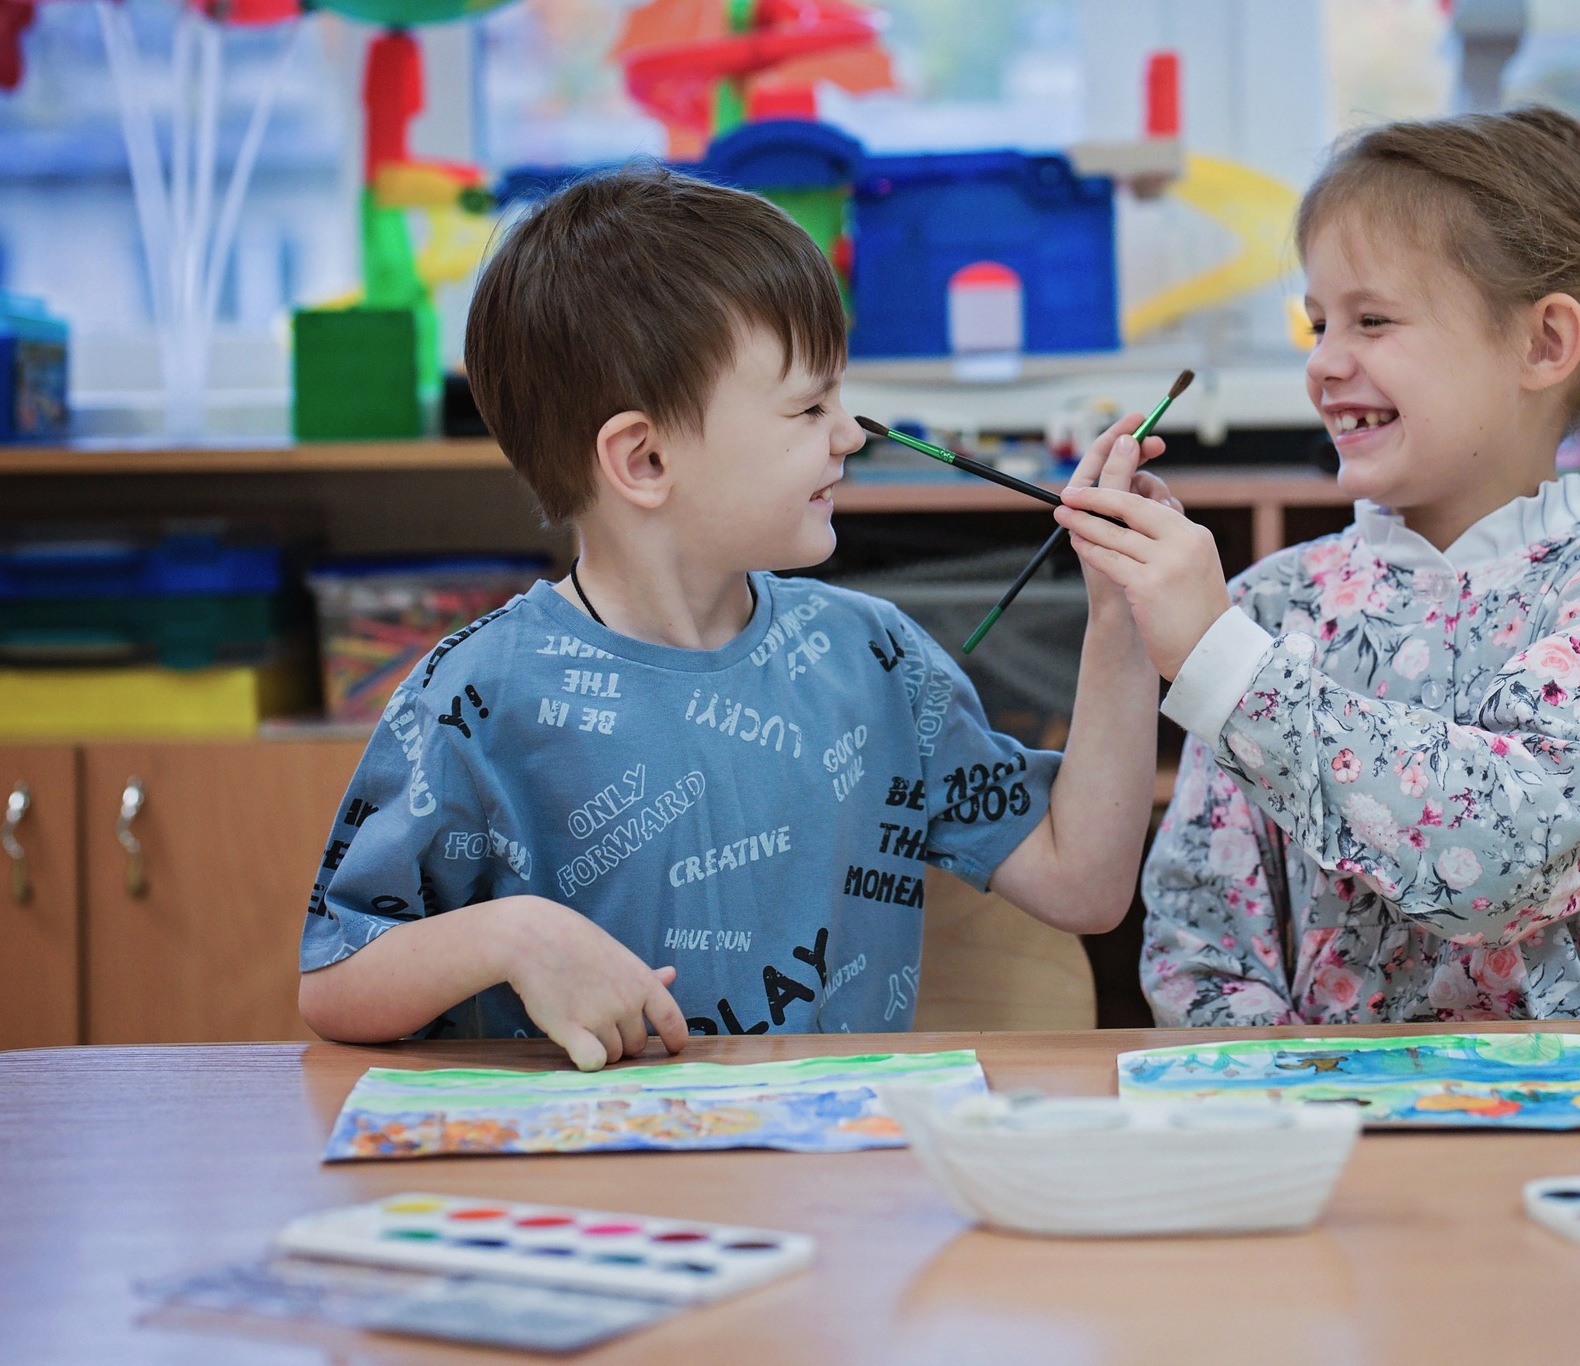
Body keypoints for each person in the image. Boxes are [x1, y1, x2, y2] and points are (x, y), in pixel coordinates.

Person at [297, 164, 1169, 1069]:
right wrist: (512, 936)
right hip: (596, 1195)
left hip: (834, 1180)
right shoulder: (477, 695)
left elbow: (1085, 883)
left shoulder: (875, 662)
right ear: (643, 459)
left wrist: (1121, 619)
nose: (851, 434)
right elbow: (333, 978)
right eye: (808, 406)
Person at [1054, 106, 1580, 1026]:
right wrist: (1290, 1108)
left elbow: (1494, 857)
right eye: (1317, 324)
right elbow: (1201, 941)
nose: (1324, 364)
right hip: (1323, 1130)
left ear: (1544, 344)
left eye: (1372, 320)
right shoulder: (1273, 602)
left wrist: (1227, 665)